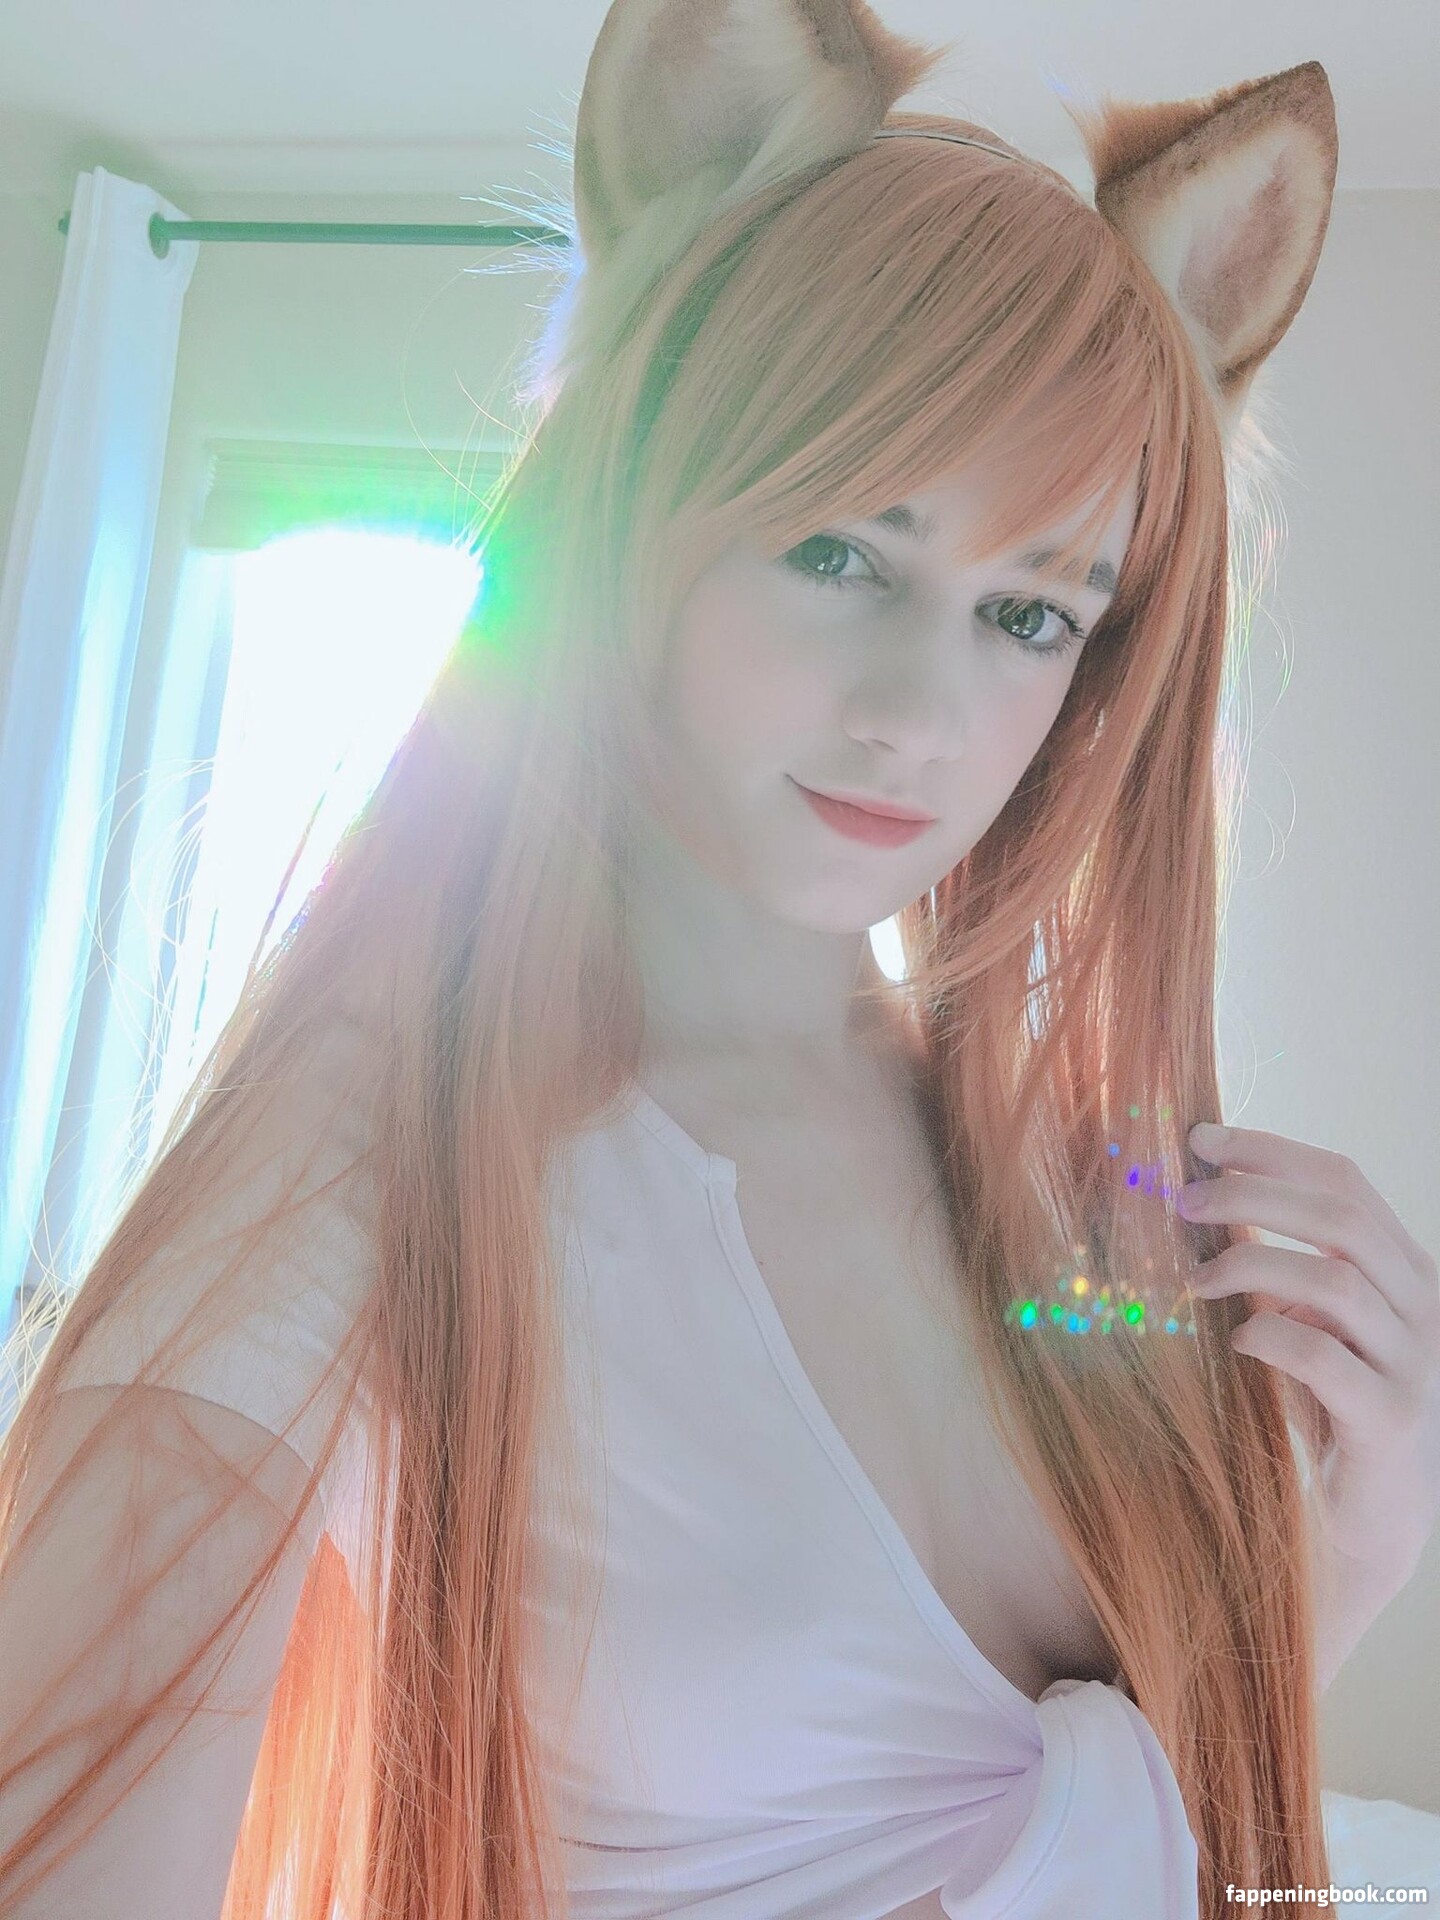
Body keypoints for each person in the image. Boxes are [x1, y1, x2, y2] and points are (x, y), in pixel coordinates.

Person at [4, 1, 1436, 1916]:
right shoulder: (371, 1159)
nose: (921, 714)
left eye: (1031, 612)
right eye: (839, 551)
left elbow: (1095, 1815)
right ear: (640, 505)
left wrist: (1342, 1548)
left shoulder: (1051, 1187)